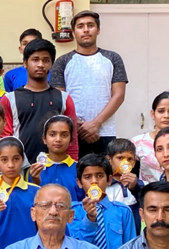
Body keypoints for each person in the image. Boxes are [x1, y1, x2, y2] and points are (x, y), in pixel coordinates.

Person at [51, 11, 127, 158]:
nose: (86, 30)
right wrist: (78, 125)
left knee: (105, 171)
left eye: (90, 25)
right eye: (80, 26)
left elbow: (119, 95)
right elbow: (58, 98)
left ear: (98, 30)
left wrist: (96, 124)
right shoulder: (62, 61)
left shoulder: (113, 58)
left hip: (104, 132)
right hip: (72, 133)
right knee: (75, 172)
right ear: (74, 33)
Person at [1, 38, 79, 162]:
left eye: (46, 60)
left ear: (51, 64)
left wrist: (73, 166)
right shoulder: (9, 99)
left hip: (56, 167)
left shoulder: (64, 98)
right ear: (25, 63)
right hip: (20, 167)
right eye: (35, 60)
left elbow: (72, 140)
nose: (41, 64)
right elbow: (5, 138)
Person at [67, 153, 136, 249]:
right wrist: (89, 220)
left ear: (109, 180)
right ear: (79, 182)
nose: (94, 181)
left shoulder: (123, 211)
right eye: (88, 177)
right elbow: (75, 248)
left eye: (100, 176)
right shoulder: (73, 211)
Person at [28, 114, 83, 203]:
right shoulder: (35, 170)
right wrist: (35, 181)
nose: (58, 139)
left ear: (71, 141)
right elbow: (30, 201)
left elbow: (83, 201)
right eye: (52, 134)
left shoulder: (78, 169)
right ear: (44, 139)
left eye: (64, 135)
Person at [105, 138, 144, 234]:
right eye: (120, 158)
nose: (125, 163)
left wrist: (135, 188)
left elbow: (145, 203)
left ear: (134, 163)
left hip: (135, 234)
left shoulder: (141, 184)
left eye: (130, 159)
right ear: (109, 160)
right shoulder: (105, 186)